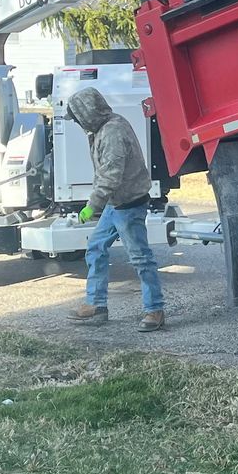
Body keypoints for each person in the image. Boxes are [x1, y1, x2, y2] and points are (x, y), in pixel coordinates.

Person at [64, 86, 165, 331]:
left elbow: (110, 176)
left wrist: (91, 206)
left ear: (86, 114)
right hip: (116, 203)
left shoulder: (112, 133)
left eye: (77, 118)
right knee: (96, 247)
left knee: (141, 259)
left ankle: (155, 310)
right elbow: (104, 175)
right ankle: (96, 305)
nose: (77, 123)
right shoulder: (102, 128)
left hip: (128, 204)